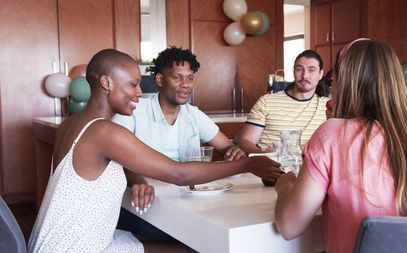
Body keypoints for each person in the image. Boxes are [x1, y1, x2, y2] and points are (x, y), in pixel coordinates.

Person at [28, 49, 281, 253]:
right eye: (133, 84)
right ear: (106, 83)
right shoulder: (104, 132)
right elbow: (178, 174)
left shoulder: (71, 124)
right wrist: (247, 164)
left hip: (54, 243)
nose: (139, 92)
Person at [274, 39, 407, 253]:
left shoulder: (331, 134)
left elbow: (289, 226)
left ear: (345, 83)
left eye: (334, 78)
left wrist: (285, 186)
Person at [111, 46, 247, 241]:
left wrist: (233, 151)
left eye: (190, 78)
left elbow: (226, 146)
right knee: (201, 237)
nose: (185, 84)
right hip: (145, 201)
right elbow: (119, 160)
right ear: (159, 79)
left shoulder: (193, 114)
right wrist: (138, 181)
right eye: (177, 77)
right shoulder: (133, 112)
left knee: (224, 225)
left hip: (188, 199)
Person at [234, 49, 329, 154]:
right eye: (299, 69)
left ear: (320, 74)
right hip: (270, 167)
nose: (305, 76)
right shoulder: (267, 102)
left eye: (311, 70)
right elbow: (244, 141)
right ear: (293, 72)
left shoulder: (327, 106)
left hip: (310, 168)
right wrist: (261, 154)